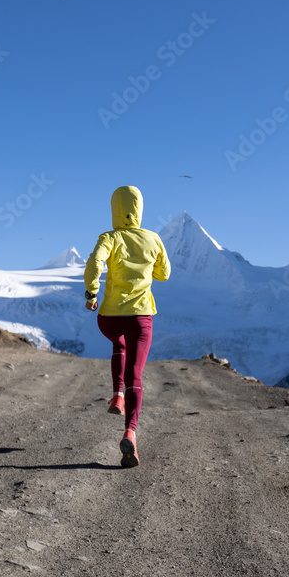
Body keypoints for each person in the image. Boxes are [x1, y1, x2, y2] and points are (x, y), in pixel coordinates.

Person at [84, 186, 171, 468]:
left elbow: (95, 262)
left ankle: (117, 395)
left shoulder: (109, 237)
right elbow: (164, 274)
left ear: (114, 210)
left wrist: (92, 293)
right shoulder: (153, 239)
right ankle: (130, 432)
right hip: (140, 317)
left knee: (117, 343)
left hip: (109, 318)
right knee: (136, 374)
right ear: (140, 209)